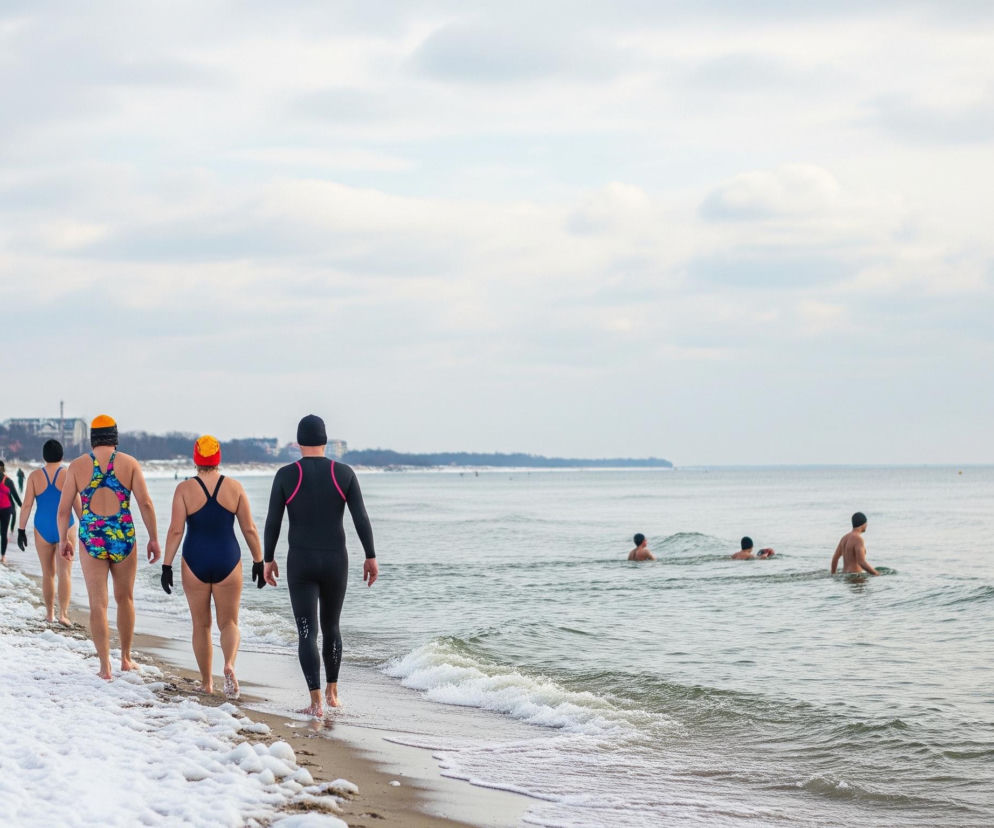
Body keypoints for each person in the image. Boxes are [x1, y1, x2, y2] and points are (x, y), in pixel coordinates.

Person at [263, 414, 378, 717]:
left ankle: (315, 702)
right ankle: (334, 693)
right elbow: (360, 518)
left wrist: (268, 558)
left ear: (298, 443)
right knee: (332, 628)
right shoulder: (345, 473)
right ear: (326, 441)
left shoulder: (286, 475)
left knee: (306, 633)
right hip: (335, 562)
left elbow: (273, 521)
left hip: (301, 563)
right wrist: (370, 555)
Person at [160, 436, 265, 699]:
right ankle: (229, 664)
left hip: (195, 560)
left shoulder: (184, 489)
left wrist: (166, 565)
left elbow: (175, 530)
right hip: (227, 559)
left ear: (196, 459)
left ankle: (207, 683)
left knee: (201, 625)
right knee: (229, 622)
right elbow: (249, 528)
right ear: (219, 458)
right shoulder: (235, 487)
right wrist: (258, 560)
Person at [57, 415, 161, 679]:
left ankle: (105, 667)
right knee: (125, 597)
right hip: (123, 534)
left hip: (92, 536)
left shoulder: (78, 466)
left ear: (92, 438)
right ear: (115, 436)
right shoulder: (129, 463)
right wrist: (153, 538)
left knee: (97, 603)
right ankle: (125, 658)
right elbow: (146, 504)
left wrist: (63, 539)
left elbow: (63, 509)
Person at [16, 440, 82, 624]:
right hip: (66, 528)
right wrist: (87, 527)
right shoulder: (68, 474)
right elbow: (78, 505)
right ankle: (63, 614)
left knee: (48, 573)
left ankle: (49, 614)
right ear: (62, 456)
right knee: (65, 573)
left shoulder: (35, 476)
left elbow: (27, 505)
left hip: (42, 528)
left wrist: (21, 529)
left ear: (44, 456)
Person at [830, 511, 878, 576]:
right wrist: (876, 574)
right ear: (864, 523)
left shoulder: (844, 538)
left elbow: (835, 559)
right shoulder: (858, 539)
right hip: (855, 578)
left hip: (845, 576)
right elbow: (861, 562)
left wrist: (833, 575)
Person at [0, 460, 22, 564]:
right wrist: (24, 506)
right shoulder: (8, 480)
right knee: (4, 533)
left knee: (3, 533)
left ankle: (2, 556)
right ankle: (3, 557)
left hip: (6, 510)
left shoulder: (8, 480)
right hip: (5, 510)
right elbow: (16, 497)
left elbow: (15, 496)